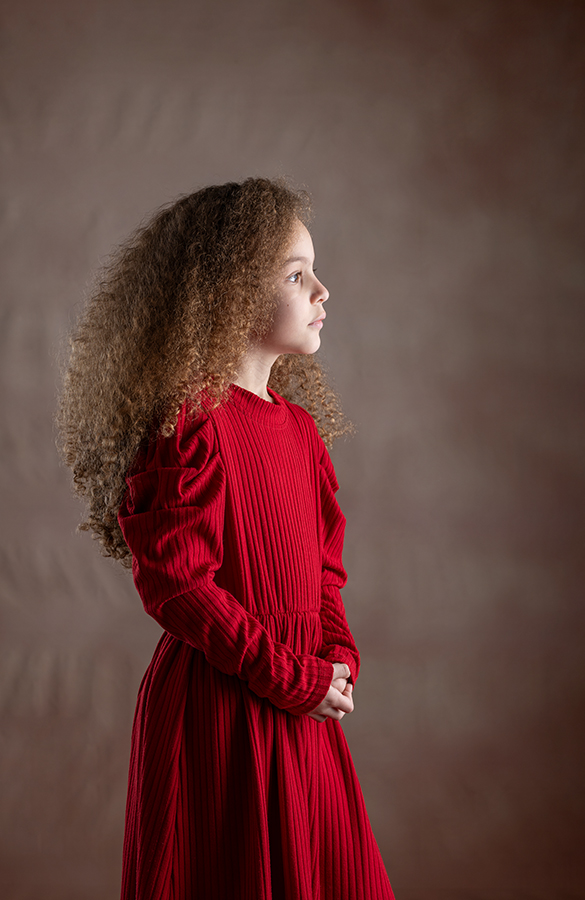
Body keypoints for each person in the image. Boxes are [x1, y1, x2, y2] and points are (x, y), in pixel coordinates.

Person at [57, 177, 395, 899]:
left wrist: (334, 655)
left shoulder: (301, 434)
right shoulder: (192, 428)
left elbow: (324, 572)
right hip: (223, 708)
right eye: (298, 275)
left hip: (300, 699)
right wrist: (286, 674)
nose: (323, 291)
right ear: (228, 292)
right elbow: (179, 586)